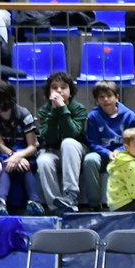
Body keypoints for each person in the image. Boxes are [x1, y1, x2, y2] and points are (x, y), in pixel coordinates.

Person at [35, 71, 89, 215]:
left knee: (68, 142)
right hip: (52, 150)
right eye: (54, 87)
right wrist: (54, 111)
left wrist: (63, 109)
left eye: (64, 87)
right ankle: (57, 207)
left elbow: (73, 133)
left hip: (75, 150)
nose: (59, 90)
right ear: (48, 93)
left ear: (70, 92)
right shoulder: (44, 111)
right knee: (43, 161)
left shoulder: (79, 109)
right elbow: (49, 138)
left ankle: (70, 196)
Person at [0, 80, 43, 216]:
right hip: (6, 152)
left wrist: (19, 156)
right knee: (8, 163)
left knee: (24, 165)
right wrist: (13, 156)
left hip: (25, 152)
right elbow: (0, 145)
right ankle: (1, 203)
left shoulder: (23, 114)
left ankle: (35, 202)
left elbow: (32, 146)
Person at [83, 81, 135, 211]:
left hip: (123, 153)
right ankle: (94, 205)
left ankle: (127, 203)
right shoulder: (93, 117)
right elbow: (93, 142)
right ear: (97, 100)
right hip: (103, 154)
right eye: (101, 97)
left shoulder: (129, 115)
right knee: (89, 160)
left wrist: (119, 151)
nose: (106, 99)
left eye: (109, 95)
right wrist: (107, 153)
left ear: (117, 97)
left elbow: (133, 140)